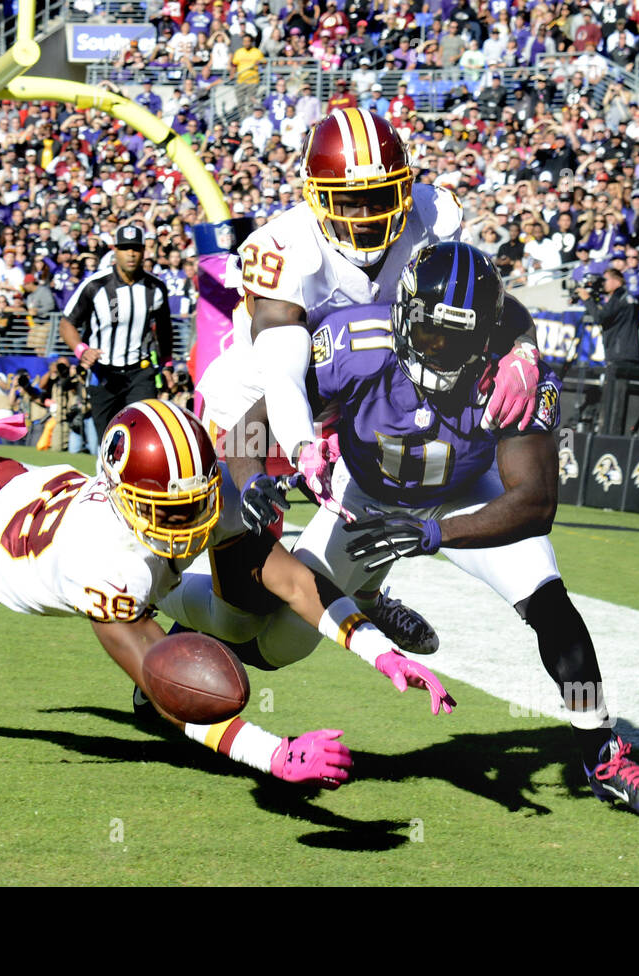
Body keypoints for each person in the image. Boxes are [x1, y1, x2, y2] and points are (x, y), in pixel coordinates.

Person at [173, 244, 639, 817]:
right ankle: (193, 647)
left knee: (551, 604)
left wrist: (434, 533)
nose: (444, 352)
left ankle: (603, 753)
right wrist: (252, 482)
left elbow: (535, 503)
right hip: (363, 498)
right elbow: (251, 427)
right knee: (275, 647)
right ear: (404, 311)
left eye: (462, 338)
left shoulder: (514, 375)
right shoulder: (353, 343)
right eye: (432, 333)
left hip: (464, 494)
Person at [0, 400, 452, 789]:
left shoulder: (190, 493)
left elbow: (291, 578)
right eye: (170, 508)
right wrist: (271, 754)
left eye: (195, 505)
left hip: (15, 482)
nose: (187, 523)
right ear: (127, 495)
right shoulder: (107, 565)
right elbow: (169, 693)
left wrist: (378, 651)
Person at [195, 110, 541, 653]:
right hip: (254, 406)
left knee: (398, 483)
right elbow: (284, 370)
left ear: (405, 189)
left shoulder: (433, 216)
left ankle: (371, 595)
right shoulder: (284, 248)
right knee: (245, 599)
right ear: (315, 196)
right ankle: (176, 649)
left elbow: (480, 300)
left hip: (350, 393)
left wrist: (523, 347)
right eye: (348, 200)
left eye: (380, 197)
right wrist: (302, 444)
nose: (364, 215)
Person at [59, 225, 173, 435]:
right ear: (115, 250)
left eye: (136, 248)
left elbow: (165, 330)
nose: (130, 254)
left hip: (141, 371)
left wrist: (167, 366)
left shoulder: (156, 288)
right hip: (103, 372)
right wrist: (82, 350)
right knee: (108, 438)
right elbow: (67, 323)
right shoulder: (95, 285)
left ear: (143, 251)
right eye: (124, 248)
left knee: (140, 433)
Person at [578, 267, 639, 365]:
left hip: (620, 354)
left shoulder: (619, 296)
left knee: (614, 379)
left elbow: (600, 318)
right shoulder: (626, 296)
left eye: (605, 280)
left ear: (617, 281)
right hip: (626, 352)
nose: (603, 283)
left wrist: (587, 299)